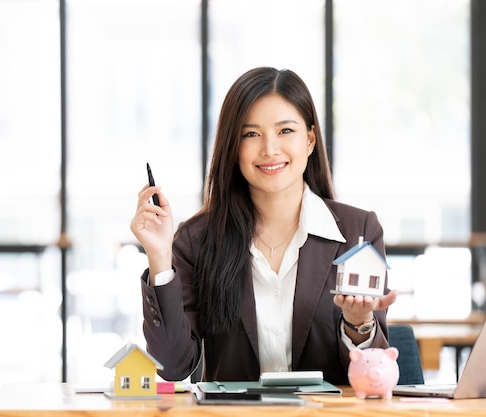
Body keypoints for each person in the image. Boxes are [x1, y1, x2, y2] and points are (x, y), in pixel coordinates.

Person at [130, 67, 397, 385]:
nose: (269, 149)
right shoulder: (197, 239)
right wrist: (160, 258)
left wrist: (359, 322)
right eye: (251, 134)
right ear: (233, 147)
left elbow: (374, 375)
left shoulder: (358, 231)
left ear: (310, 140)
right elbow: (173, 366)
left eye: (285, 131)